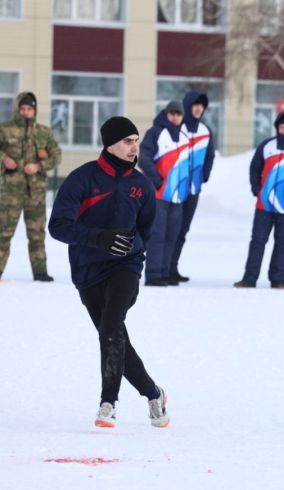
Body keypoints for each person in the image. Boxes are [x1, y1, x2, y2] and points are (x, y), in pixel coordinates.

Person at [48, 116, 169, 428]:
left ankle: (108, 403)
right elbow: (58, 226)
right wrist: (99, 238)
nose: (134, 147)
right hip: (88, 271)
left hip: (125, 267)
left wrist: (131, 253)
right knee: (112, 335)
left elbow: (145, 232)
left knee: (112, 325)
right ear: (111, 143)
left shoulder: (141, 185)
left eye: (136, 141)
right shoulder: (82, 179)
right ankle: (153, 393)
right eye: (128, 141)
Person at [235, 111, 284, 289]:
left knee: (283, 242)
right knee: (257, 241)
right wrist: (256, 187)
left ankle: (277, 279)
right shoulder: (266, 146)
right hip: (265, 204)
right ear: (277, 128)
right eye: (281, 127)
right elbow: (255, 168)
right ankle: (249, 278)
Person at [0, 92, 62, 282]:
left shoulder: (43, 132)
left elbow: (56, 156)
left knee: (37, 233)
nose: (26, 112)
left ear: (34, 110)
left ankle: (40, 272)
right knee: (3, 232)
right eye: (23, 108)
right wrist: (4, 159)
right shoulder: (5, 129)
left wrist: (38, 166)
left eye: (29, 109)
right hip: (10, 192)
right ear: (17, 109)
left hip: (35, 192)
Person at [138, 100, 190, 286]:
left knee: (172, 235)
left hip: (177, 196)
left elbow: (187, 166)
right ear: (166, 114)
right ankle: (153, 275)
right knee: (157, 234)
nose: (175, 117)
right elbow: (143, 159)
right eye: (172, 113)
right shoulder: (155, 133)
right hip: (158, 195)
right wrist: (157, 181)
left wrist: (187, 187)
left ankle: (165, 272)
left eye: (179, 114)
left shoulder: (184, 137)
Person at [169, 91, 215, 283]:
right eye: (195, 105)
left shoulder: (205, 131)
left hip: (194, 189)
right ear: (188, 106)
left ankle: (173, 268)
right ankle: (162, 267)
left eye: (201, 106)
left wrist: (204, 176)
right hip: (175, 188)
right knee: (171, 229)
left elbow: (210, 156)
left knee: (183, 230)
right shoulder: (177, 129)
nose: (198, 109)